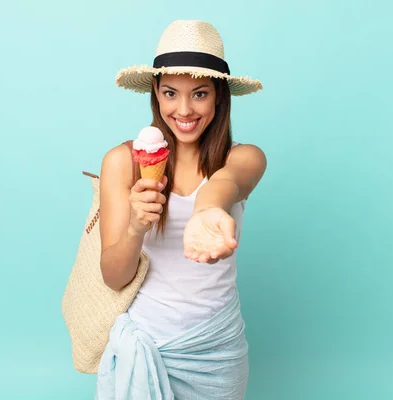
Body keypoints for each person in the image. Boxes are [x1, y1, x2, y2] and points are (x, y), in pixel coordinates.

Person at [96, 20, 266, 399]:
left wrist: (206, 210)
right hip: (147, 345)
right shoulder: (122, 162)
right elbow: (112, 276)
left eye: (200, 94)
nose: (184, 109)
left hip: (217, 351)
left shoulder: (245, 157)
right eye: (171, 92)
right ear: (155, 93)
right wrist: (136, 227)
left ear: (220, 96)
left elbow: (226, 183)